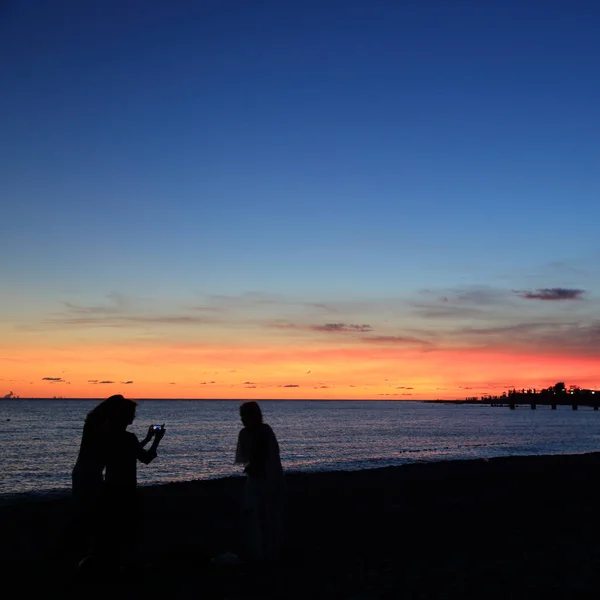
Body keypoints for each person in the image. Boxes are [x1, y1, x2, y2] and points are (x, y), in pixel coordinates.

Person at [72, 394, 166, 572]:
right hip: (125, 489)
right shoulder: (126, 438)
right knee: (128, 530)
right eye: (131, 413)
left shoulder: (107, 436)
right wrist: (156, 441)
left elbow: (129, 450)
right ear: (123, 415)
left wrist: (146, 439)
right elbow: (145, 457)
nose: (134, 417)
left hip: (108, 487)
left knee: (108, 531)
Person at [235, 401, 284, 562]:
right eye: (241, 416)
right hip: (257, 478)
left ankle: (267, 552)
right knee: (255, 515)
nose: (242, 419)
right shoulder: (246, 433)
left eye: (245, 416)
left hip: (267, 478)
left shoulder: (263, 432)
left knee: (266, 515)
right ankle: (260, 551)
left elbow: (269, 457)